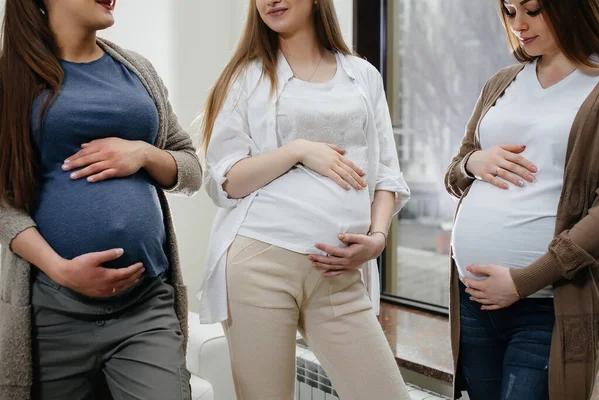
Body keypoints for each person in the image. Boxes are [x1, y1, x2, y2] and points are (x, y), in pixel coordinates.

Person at [198, 0, 412, 398]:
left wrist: (378, 238)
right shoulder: (246, 78)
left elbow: (387, 176)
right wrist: (298, 150)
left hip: (340, 274)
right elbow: (225, 181)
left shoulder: (362, 75)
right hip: (261, 262)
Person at [0, 0, 202, 399]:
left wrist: (143, 153)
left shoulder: (137, 72)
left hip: (144, 305)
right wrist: (59, 269)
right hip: (53, 311)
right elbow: (3, 202)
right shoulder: (11, 78)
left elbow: (192, 169)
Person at [445, 0, 599, 398]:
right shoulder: (502, 82)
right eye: (510, 11)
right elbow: (455, 172)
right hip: (473, 302)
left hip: (544, 306)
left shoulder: (595, 89)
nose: (518, 24)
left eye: (532, 10)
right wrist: (474, 162)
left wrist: (522, 282)